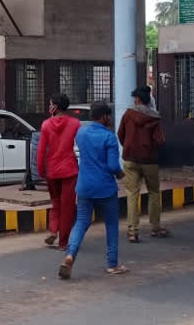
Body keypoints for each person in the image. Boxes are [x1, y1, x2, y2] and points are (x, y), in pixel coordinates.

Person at [58, 101, 127, 279]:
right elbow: (112, 165)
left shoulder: (81, 133)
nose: (111, 119)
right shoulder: (109, 137)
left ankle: (70, 255)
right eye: (109, 116)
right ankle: (112, 264)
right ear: (104, 117)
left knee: (81, 223)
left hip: (84, 186)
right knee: (111, 225)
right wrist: (121, 174)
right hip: (105, 188)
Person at [118, 85, 169, 243]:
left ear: (137, 99)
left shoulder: (128, 114)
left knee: (132, 194)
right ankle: (155, 227)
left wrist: (128, 146)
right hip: (149, 160)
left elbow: (121, 134)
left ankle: (133, 231)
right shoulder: (155, 118)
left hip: (130, 160)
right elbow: (160, 140)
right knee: (154, 192)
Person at [36, 93, 80, 249]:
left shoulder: (46, 125)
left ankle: (53, 230)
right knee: (68, 207)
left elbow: (41, 151)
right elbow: (80, 145)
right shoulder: (75, 124)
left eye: (50, 104)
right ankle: (63, 242)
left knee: (55, 203)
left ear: (55, 106)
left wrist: (41, 171)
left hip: (52, 170)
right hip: (70, 170)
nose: (49, 107)